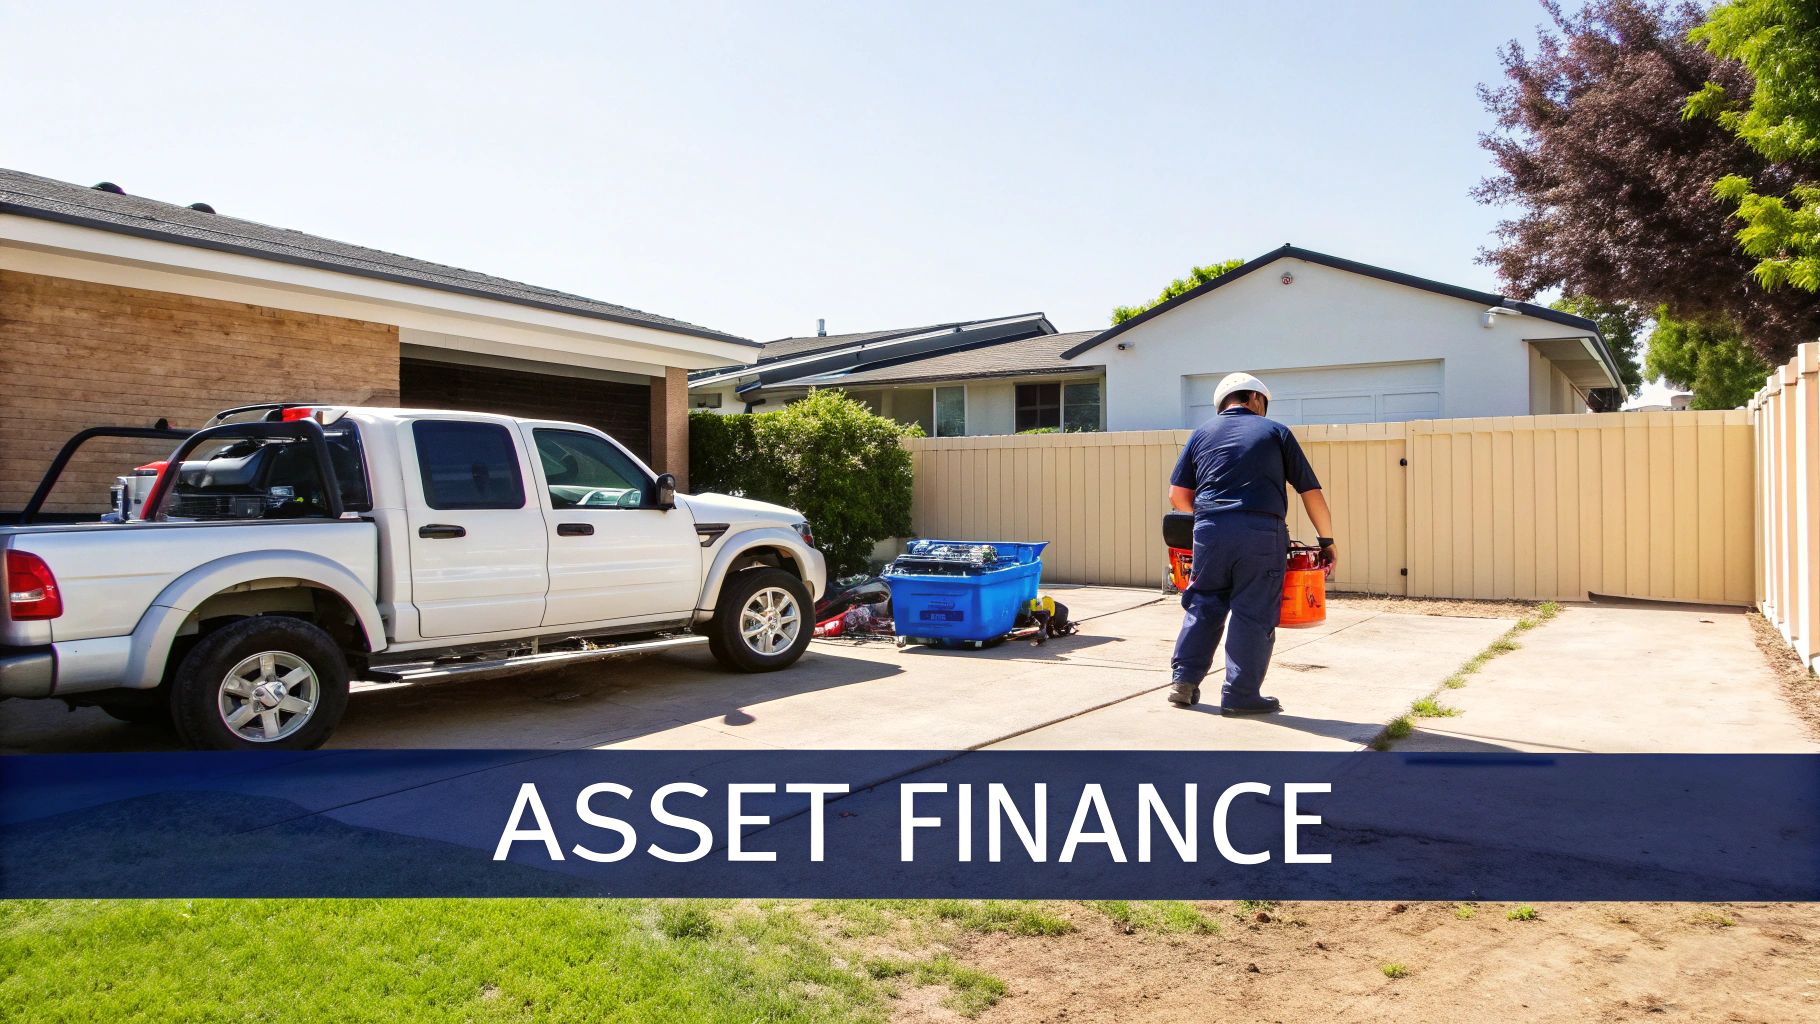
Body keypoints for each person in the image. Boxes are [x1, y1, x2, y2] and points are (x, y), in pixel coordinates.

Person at [1167, 372, 1336, 714]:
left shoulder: (1201, 434)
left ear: (1223, 404)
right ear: (1256, 399)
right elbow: (1310, 492)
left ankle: (1184, 682)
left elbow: (1177, 495)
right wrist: (1327, 540)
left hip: (1210, 530)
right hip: (1261, 531)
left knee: (1204, 603)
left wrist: (1210, 518)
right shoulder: (1275, 431)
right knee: (1252, 610)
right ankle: (1240, 695)